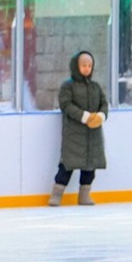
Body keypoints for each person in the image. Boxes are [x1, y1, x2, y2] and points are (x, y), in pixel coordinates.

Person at [49, 50, 108, 207]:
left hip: (93, 134)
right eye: (83, 65)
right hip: (74, 134)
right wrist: (84, 116)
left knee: (90, 166)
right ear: (76, 66)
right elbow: (66, 105)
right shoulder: (68, 86)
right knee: (67, 165)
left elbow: (104, 103)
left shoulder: (95, 87)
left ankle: (84, 195)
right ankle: (56, 194)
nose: (87, 68)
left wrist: (101, 116)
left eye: (89, 65)